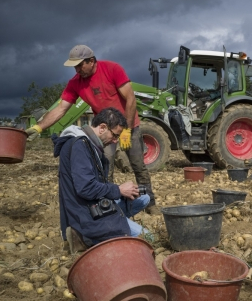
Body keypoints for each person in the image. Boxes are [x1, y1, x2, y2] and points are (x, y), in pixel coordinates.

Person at [25, 44, 160, 215]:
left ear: (91, 61)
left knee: (138, 166)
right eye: (74, 66)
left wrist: (125, 129)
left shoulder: (112, 69)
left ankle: (151, 204)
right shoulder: (75, 83)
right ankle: (111, 207)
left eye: (80, 65)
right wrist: (39, 126)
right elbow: (61, 109)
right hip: (105, 131)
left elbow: (130, 98)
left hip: (128, 127)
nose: (77, 69)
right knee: (105, 167)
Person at [51, 107, 152, 254]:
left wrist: (121, 191)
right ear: (103, 127)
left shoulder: (90, 145)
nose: (115, 141)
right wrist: (118, 190)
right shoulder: (80, 146)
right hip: (84, 215)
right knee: (148, 237)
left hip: (94, 204)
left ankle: (116, 223)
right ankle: (84, 237)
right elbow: (85, 188)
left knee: (144, 198)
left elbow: (94, 183)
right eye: (115, 135)